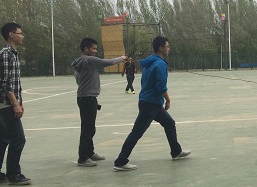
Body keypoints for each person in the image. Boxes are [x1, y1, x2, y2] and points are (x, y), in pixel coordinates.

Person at [113, 36, 190, 171]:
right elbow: (161, 87)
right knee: (137, 132)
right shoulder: (160, 64)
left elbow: (145, 82)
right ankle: (120, 161)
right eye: (167, 46)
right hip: (150, 104)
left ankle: (176, 152)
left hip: (150, 103)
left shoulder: (150, 62)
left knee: (169, 123)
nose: (169, 49)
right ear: (160, 48)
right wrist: (168, 100)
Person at [72, 38, 126, 167]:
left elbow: (77, 79)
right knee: (88, 129)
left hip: (85, 97)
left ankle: (89, 152)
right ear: (86, 49)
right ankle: (83, 158)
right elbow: (107, 62)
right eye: (93, 48)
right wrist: (121, 58)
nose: (95, 51)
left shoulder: (80, 62)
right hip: (87, 98)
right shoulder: (89, 60)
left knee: (89, 127)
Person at [0, 22, 31, 185]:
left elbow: (16, 82)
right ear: (11, 35)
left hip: (10, 103)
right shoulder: (6, 54)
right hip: (6, 104)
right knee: (18, 138)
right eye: (20, 33)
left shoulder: (13, 54)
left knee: (3, 138)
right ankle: (14, 174)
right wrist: (15, 104)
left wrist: (20, 102)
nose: (22, 36)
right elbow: (5, 83)